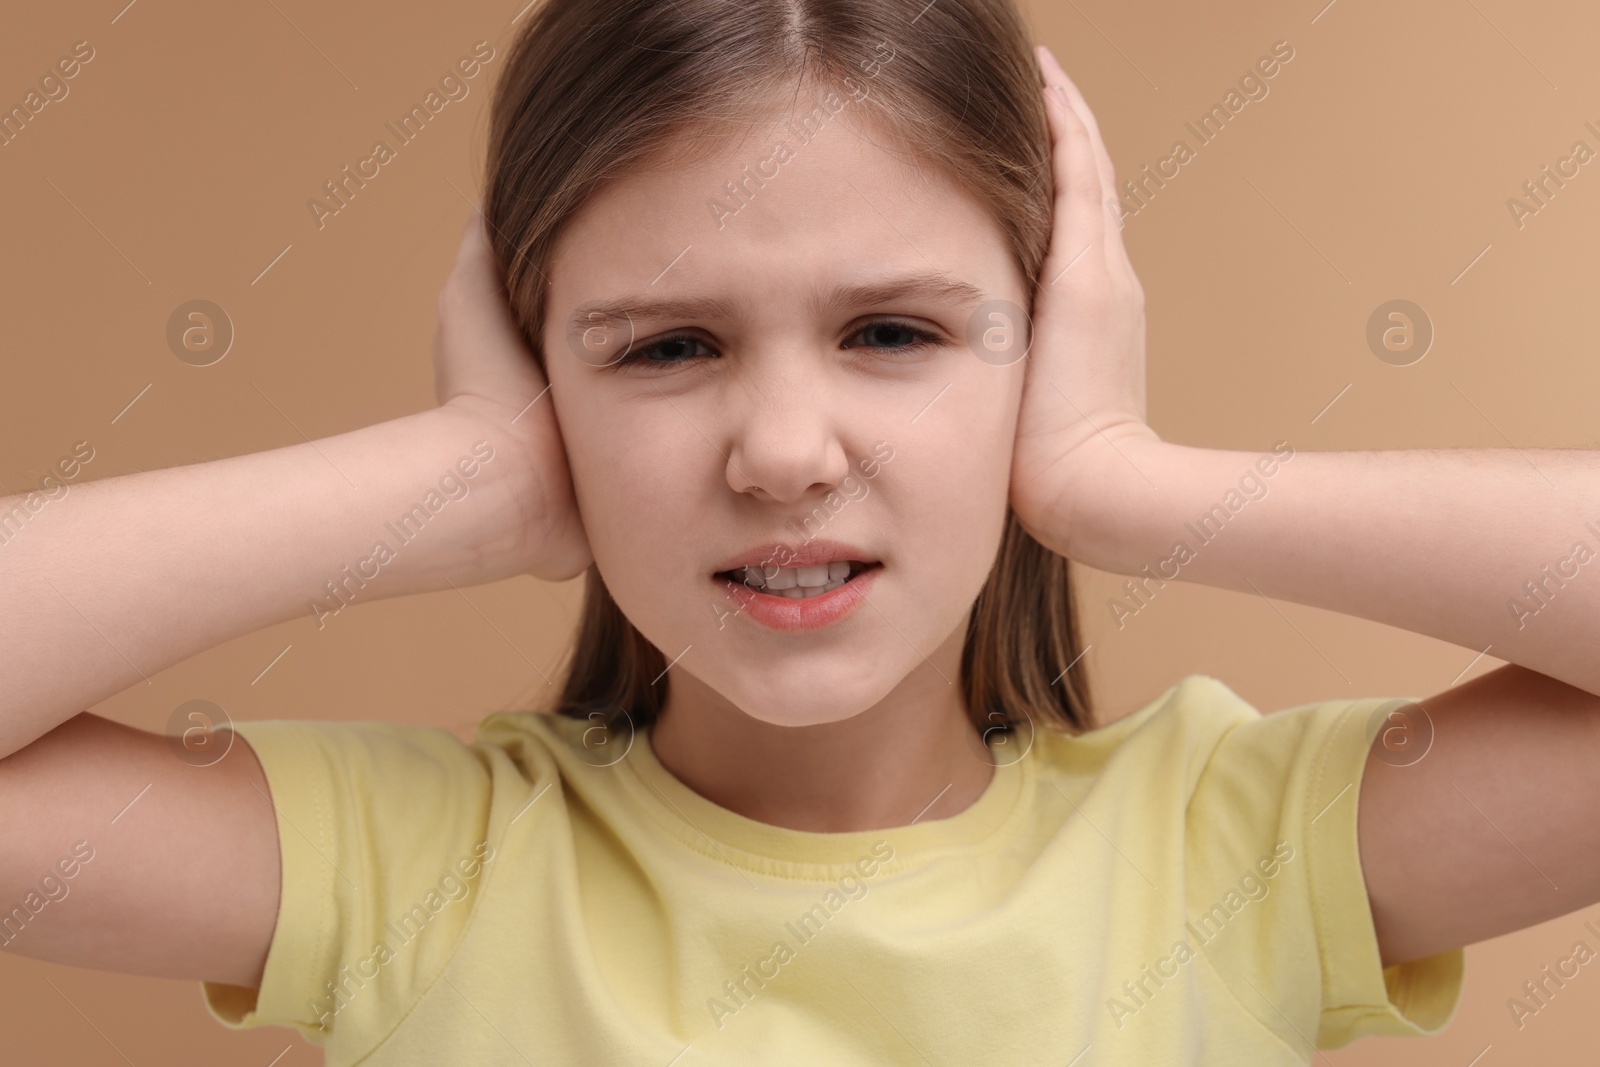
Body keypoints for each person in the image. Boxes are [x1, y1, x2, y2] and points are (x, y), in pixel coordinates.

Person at [3, 1, 1598, 1064]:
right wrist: (465, 478)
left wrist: (1124, 478)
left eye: (895, 333)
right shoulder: (417, 867)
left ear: (1047, 344)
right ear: (539, 369)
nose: (779, 452)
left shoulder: (1237, 852)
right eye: (662, 346)